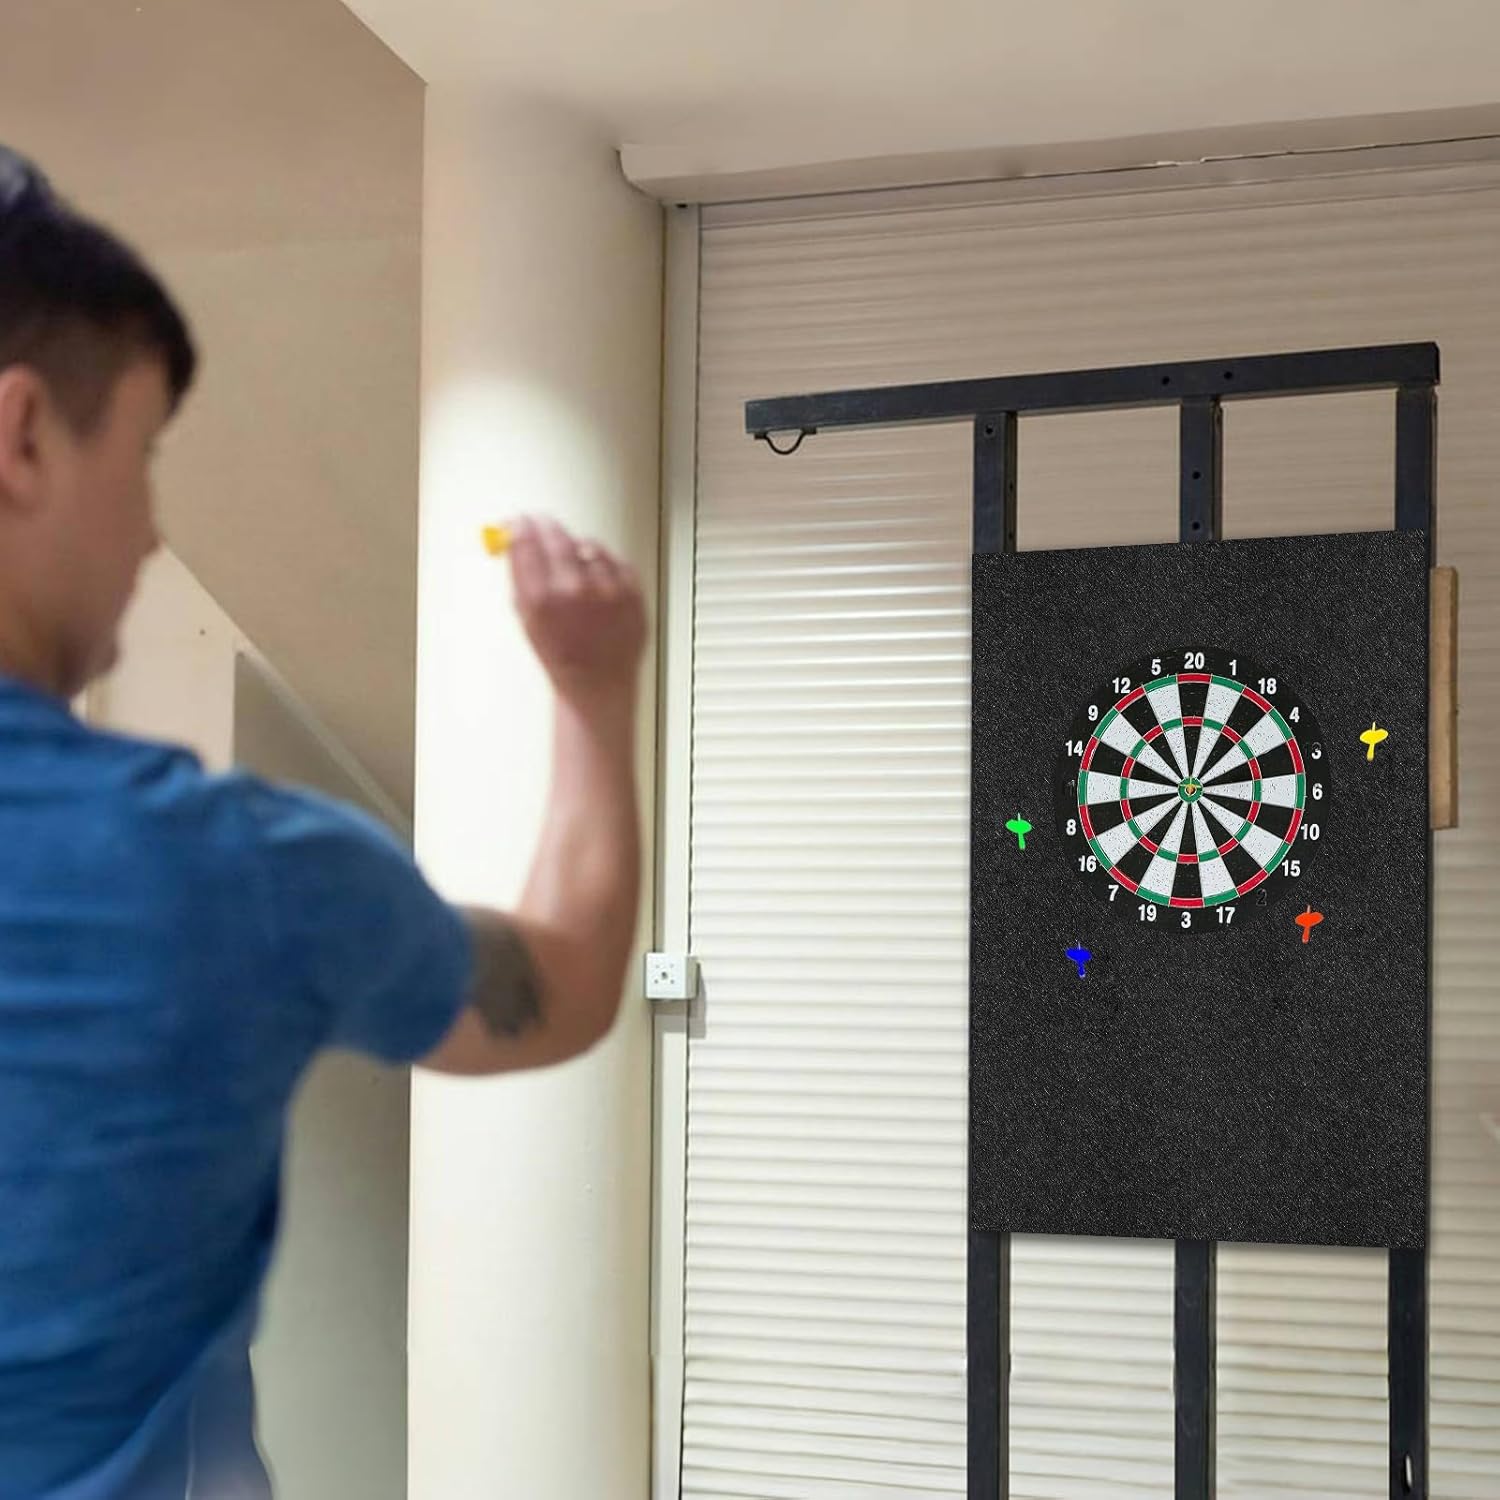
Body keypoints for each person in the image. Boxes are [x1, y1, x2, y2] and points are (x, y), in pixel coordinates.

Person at [0, 145, 645, 1498]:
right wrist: (593, 691)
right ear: (24, 436)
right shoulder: (224, 872)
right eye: (142, 458)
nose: (152, 536)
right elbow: (565, 981)